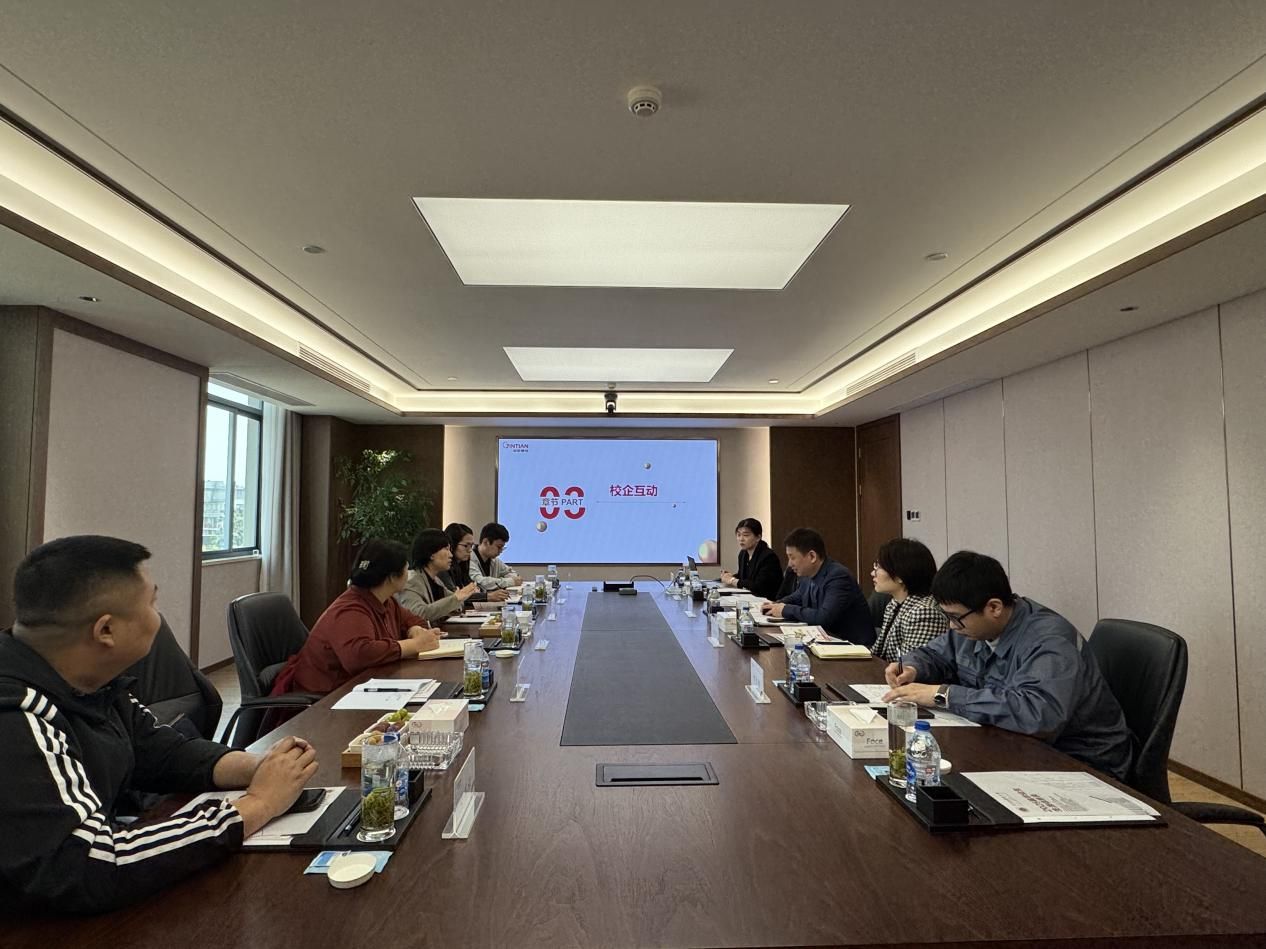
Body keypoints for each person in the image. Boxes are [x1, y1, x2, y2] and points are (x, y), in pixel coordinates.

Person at [0, 535, 318, 914]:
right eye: (151, 603)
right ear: (106, 631)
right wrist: (256, 805)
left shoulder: (91, 683)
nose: (158, 616)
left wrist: (260, 767)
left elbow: (162, 751)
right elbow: (91, 861)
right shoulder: (17, 715)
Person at [882, 550, 1134, 781]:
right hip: (1012, 745)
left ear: (994, 607)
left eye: (955, 617)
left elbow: (1038, 714)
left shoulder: (1049, 640)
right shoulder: (971, 629)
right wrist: (912, 667)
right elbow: (935, 654)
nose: (951, 626)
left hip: (1082, 763)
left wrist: (944, 695)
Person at [272, 539, 441, 695]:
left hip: (363, 686)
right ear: (392, 577)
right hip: (327, 696)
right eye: (406, 569)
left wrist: (415, 629)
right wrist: (414, 644)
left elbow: (412, 619)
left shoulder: (385, 601)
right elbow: (359, 654)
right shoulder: (350, 609)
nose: (409, 574)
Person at [761, 528, 874, 646]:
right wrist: (775, 605)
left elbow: (823, 617)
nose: (789, 564)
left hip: (854, 647)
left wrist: (785, 610)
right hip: (827, 642)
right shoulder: (807, 575)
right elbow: (797, 597)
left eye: (792, 557)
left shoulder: (838, 577)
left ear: (812, 556)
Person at [868, 538, 949, 662]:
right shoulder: (894, 604)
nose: (873, 573)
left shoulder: (924, 613)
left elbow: (910, 666)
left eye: (878, 567)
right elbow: (879, 653)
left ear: (900, 576)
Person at [397, 529, 480, 621]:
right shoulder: (411, 581)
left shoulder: (436, 580)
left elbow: (457, 604)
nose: (451, 555)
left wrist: (457, 598)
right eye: (446, 549)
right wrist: (456, 598)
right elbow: (416, 615)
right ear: (431, 553)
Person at [440, 522, 509, 604]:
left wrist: (477, 591)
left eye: (471, 546)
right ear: (452, 545)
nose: (470, 550)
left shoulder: (463, 564)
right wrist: (488, 596)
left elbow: (471, 589)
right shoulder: (443, 568)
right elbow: (456, 597)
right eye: (466, 546)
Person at [719, 517, 783, 601]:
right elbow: (743, 577)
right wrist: (729, 577)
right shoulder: (743, 554)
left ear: (758, 537)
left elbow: (759, 586)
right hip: (749, 599)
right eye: (738, 535)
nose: (741, 539)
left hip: (767, 601)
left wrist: (732, 580)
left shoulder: (768, 557)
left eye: (745, 535)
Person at [468, 522, 519, 591]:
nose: (501, 551)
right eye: (499, 547)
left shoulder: (495, 561)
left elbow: (513, 574)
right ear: (486, 542)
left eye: (502, 548)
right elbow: (479, 582)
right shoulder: (468, 558)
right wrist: (509, 581)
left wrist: (510, 579)